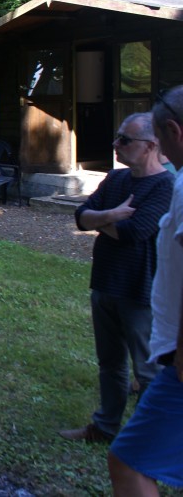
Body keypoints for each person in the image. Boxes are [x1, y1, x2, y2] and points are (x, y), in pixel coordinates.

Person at [60, 113, 173, 444]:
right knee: (110, 364)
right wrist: (110, 215)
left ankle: (149, 440)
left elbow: (135, 232)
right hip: (105, 283)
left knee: (147, 372)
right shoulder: (116, 179)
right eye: (117, 137)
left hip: (139, 291)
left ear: (151, 146)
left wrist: (99, 221)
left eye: (125, 140)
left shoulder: (165, 187)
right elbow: (80, 216)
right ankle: (105, 428)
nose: (116, 145)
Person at [108, 88, 183, 495]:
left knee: (129, 462)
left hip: (179, 360)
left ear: (172, 132)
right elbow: (86, 216)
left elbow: (135, 230)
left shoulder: (180, 187)